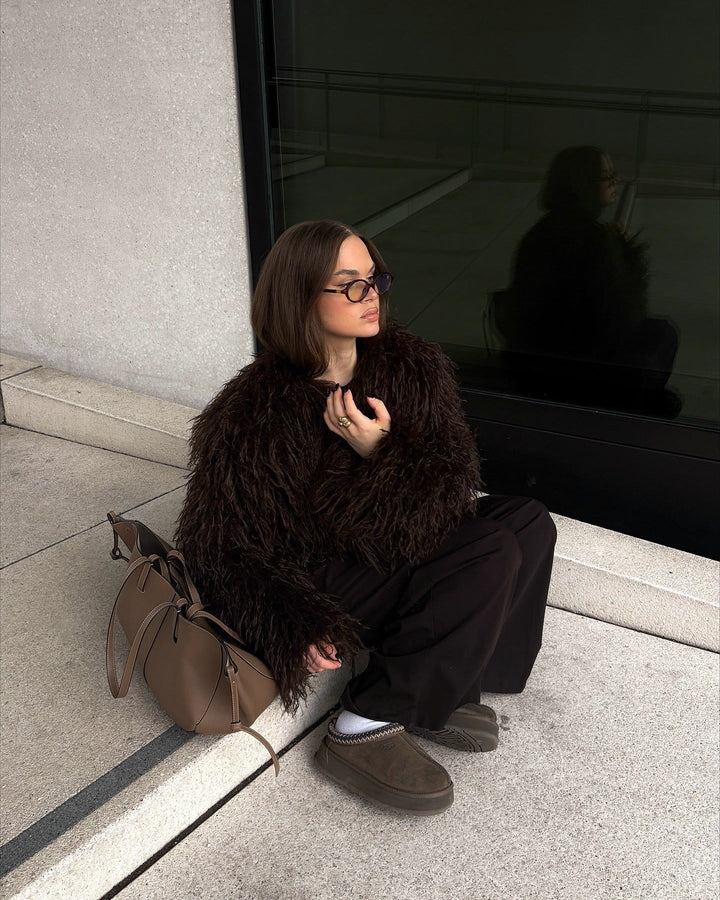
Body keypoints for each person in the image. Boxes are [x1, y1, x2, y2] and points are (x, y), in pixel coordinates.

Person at [176, 220, 556, 815]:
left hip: (389, 539)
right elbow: (219, 546)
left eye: (372, 277)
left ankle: (450, 682)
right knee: (489, 551)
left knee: (527, 520)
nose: (370, 293)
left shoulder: (407, 367)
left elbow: (452, 482)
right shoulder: (257, 409)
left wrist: (378, 450)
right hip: (320, 574)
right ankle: (363, 722)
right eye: (348, 284)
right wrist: (292, 621)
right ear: (301, 297)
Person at [500, 145, 680, 415]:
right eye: (606, 176)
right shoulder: (593, 239)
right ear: (581, 184)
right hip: (572, 372)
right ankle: (626, 402)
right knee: (662, 335)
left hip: (533, 364)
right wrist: (625, 254)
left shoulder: (541, 231)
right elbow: (625, 318)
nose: (614, 182)